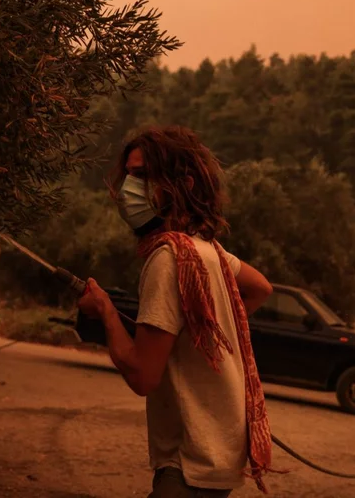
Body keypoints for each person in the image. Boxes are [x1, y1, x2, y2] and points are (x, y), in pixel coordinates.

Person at [77, 126, 276, 497]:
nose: (129, 190)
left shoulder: (170, 258)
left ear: (181, 184)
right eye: (130, 175)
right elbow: (260, 287)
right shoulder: (208, 251)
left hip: (189, 464)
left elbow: (142, 377)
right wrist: (199, 332)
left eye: (143, 176)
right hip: (220, 456)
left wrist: (105, 310)